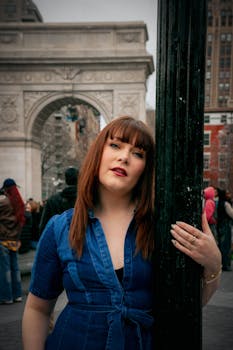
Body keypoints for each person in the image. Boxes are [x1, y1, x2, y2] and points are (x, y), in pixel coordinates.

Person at [22, 116, 221, 349]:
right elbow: (37, 307)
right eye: (115, 145)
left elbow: (185, 310)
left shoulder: (162, 227)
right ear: (98, 152)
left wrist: (213, 264)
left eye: (138, 153)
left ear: (145, 168)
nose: (124, 157)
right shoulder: (60, 228)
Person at [0, 178, 25, 304]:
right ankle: (17, 295)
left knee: (5, 270)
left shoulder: (4, 202)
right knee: (15, 268)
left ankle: (6, 297)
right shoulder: (20, 203)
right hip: (15, 240)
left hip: (3, 240)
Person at [39, 166, 78, 236]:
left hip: (58, 239)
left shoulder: (52, 200)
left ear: (66, 180)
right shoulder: (88, 200)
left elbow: (44, 227)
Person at [216, 188, 233, 271]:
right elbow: (231, 214)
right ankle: (226, 264)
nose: (229, 195)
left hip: (220, 225)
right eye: (227, 194)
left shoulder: (219, 202)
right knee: (226, 245)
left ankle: (221, 263)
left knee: (221, 245)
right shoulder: (226, 203)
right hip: (226, 226)